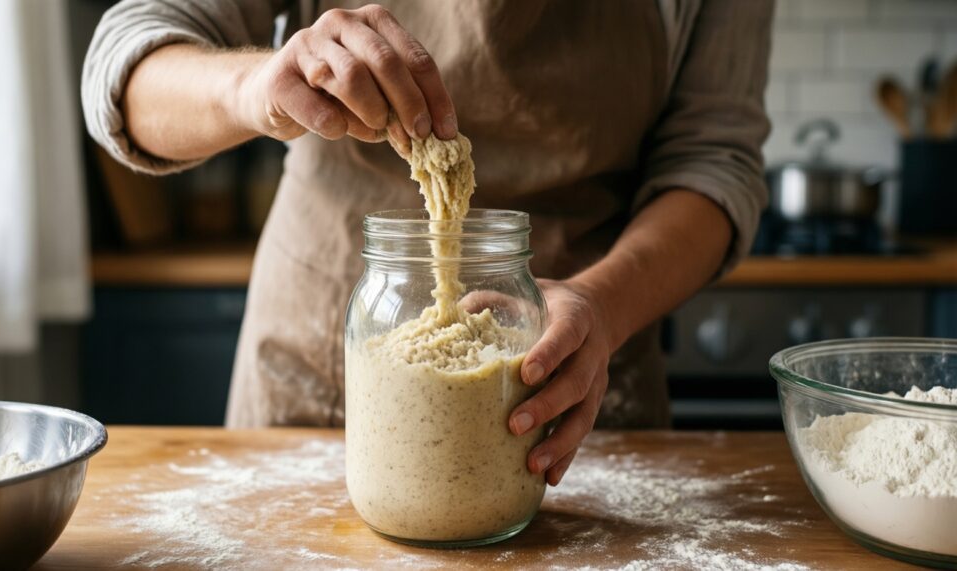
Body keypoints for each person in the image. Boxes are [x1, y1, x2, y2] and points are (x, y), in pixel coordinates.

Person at [83, 0, 772, 486]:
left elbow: (716, 162)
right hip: (320, 379)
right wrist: (256, 86)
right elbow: (125, 67)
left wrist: (602, 303)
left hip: (570, 377)